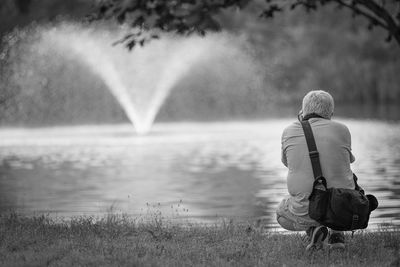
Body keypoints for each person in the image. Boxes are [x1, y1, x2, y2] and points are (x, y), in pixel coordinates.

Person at [276, 90, 356, 251]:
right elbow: (348, 161)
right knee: (335, 189)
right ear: (331, 113)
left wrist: (301, 123)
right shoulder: (343, 130)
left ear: (303, 111)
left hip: (306, 209)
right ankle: (336, 236)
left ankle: (314, 230)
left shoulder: (289, 131)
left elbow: (287, 163)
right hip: (342, 208)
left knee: (280, 213)